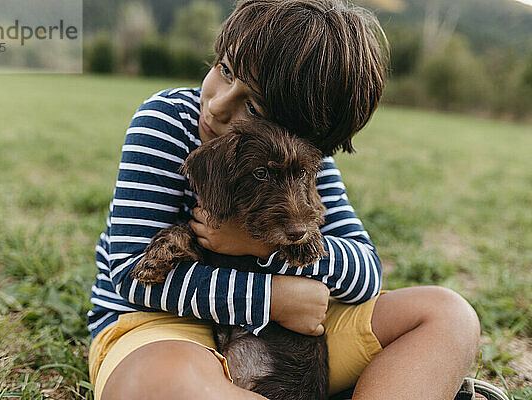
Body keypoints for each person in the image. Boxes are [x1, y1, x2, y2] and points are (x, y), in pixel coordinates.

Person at [87, 1, 481, 399]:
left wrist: (259, 247)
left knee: (447, 315)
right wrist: (272, 299)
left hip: (294, 347)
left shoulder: (307, 159)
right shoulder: (168, 122)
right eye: (225, 70)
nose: (218, 104)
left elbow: (366, 274)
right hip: (165, 325)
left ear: (301, 131)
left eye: (254, 106)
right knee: (165, 382)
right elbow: (131, 274)